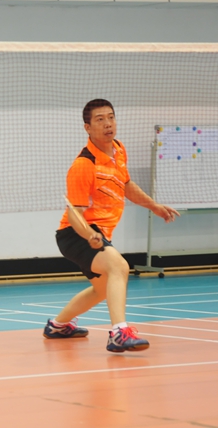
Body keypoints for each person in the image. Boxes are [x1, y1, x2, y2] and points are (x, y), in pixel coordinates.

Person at [44, 99, 179, 353]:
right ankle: (119, 333)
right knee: (119, 266)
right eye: (100, 119)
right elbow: (74, 214)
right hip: (76, 234)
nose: (108, 124)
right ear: (87, 127)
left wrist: (153, 206)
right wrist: (89, 235)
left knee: (102, 289)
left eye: (111, 117)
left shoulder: (118, 149)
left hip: (98, 234)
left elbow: (125, 184)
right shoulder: (84, 165)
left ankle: (58, 326)